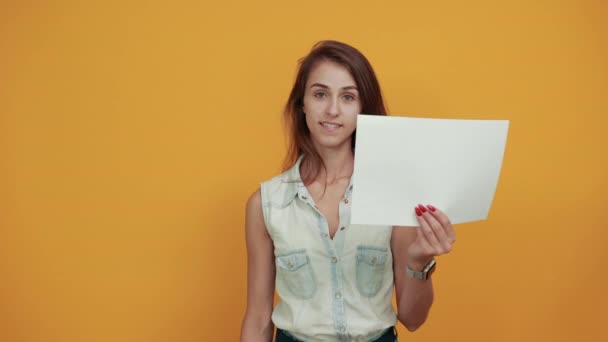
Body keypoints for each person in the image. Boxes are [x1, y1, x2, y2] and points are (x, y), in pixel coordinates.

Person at [240, 40, 456, 342]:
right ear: (302, 104)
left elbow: (413, 318)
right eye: (320, 94)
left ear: (363, 108)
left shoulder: (393, 196)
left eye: (348, 97)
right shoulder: (266, 204)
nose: (332, 110)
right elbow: (259, 317)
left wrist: (419, 263)